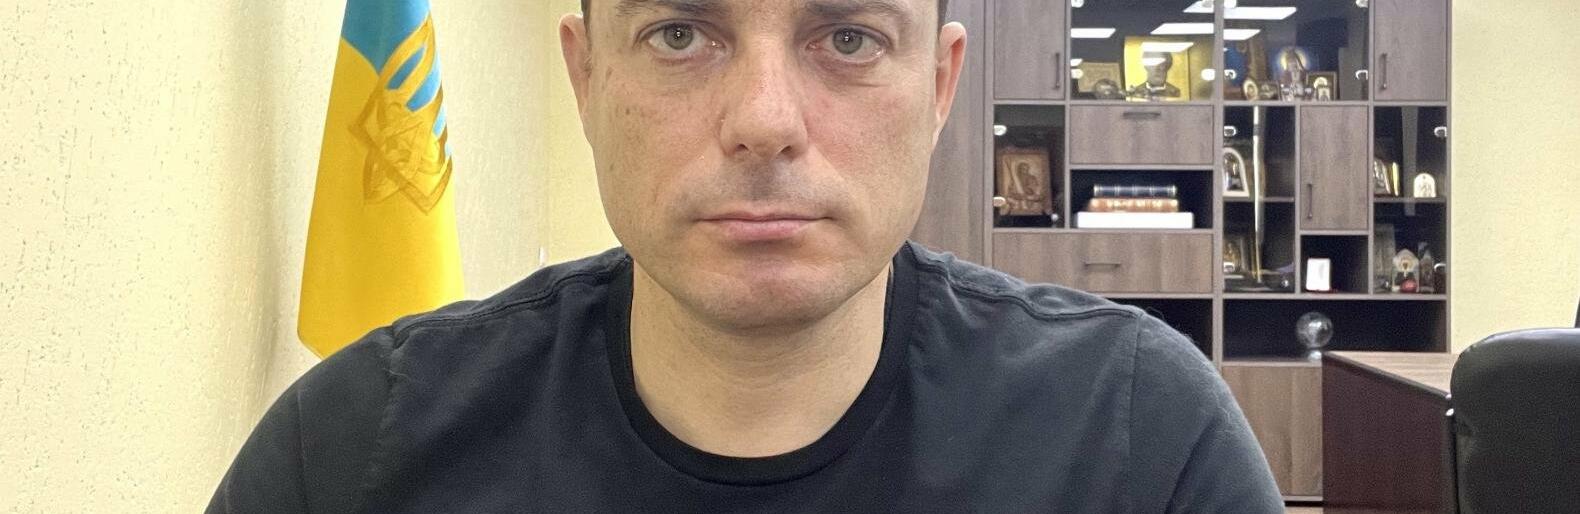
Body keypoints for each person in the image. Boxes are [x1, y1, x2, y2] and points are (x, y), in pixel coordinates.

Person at [207, 0, 1283, 511]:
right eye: (680, 34)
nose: (764, 120)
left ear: (939, 86)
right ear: (586, 80)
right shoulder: (352, 456)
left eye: (848, 38)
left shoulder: (1140, 442)